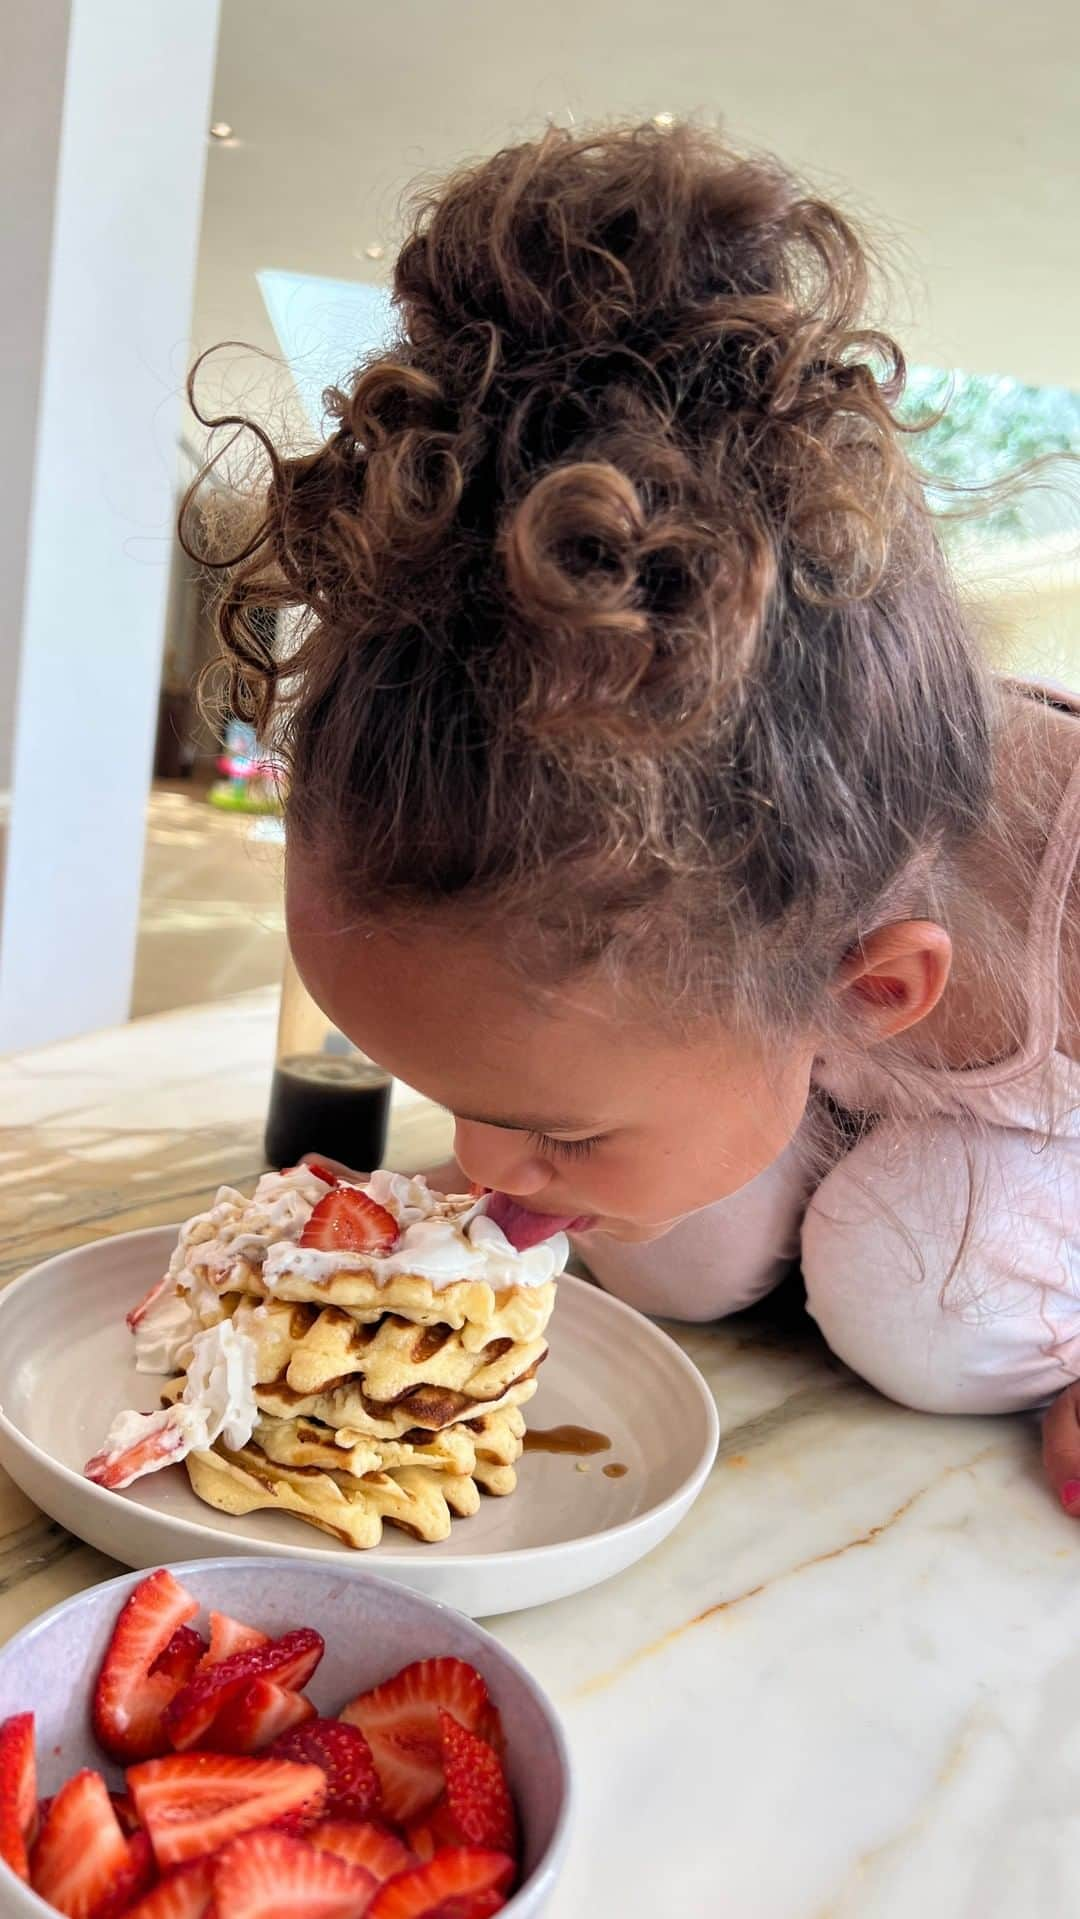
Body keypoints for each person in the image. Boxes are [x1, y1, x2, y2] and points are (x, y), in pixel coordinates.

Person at [187, 122, 1080, 1511]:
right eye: (459, 1102)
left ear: (875, 985)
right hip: (786, 1053)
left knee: (925, 1292)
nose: (476, 1167)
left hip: (1013, 1106)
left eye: (541, 1119)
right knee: (674, 1248)